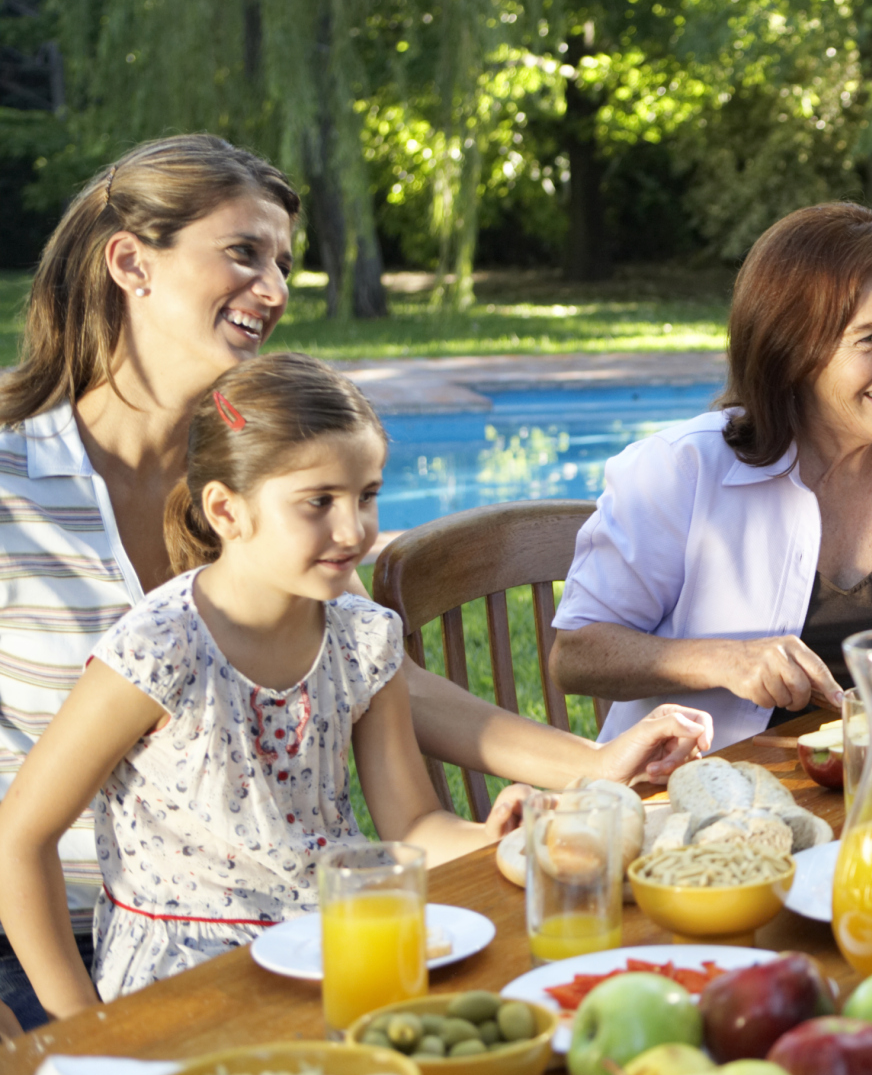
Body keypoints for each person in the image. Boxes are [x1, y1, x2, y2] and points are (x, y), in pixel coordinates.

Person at [0, 134, 711, 1031]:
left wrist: (594, 770)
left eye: (284, 263)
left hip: (301, 942)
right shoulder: (12, 481)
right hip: (60, 958)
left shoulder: (270, 473)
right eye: (243, 253)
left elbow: (372, 674)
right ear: (131, 263)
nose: (274, 289)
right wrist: (67, 1041)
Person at [0, 355, 522, 1013]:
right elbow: (19, 837)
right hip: (183, 984)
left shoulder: (364, 638)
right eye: (318, 502)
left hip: (334, 945)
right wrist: (76, 1032)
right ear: (226, 509)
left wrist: (495, 836)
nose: (352, 530)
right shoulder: (158, 649)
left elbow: (415, 822)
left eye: (366, 496)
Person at [551, 202, 872, 750]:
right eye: (868, 338)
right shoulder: (679, 471)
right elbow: (577, 654)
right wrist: (724, 659)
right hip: (691, 796)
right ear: (792, 353)